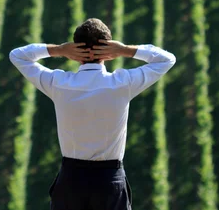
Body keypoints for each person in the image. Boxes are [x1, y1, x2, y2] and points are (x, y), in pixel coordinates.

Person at [9, 18, 176, 210]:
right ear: (108, 51)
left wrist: (59, 50)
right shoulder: (122, 83)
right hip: (109, 181)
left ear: (76, 52)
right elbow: (167, 59)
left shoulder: (59, 83)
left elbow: (18, 56)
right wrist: (125, 50)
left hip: (71, 180)